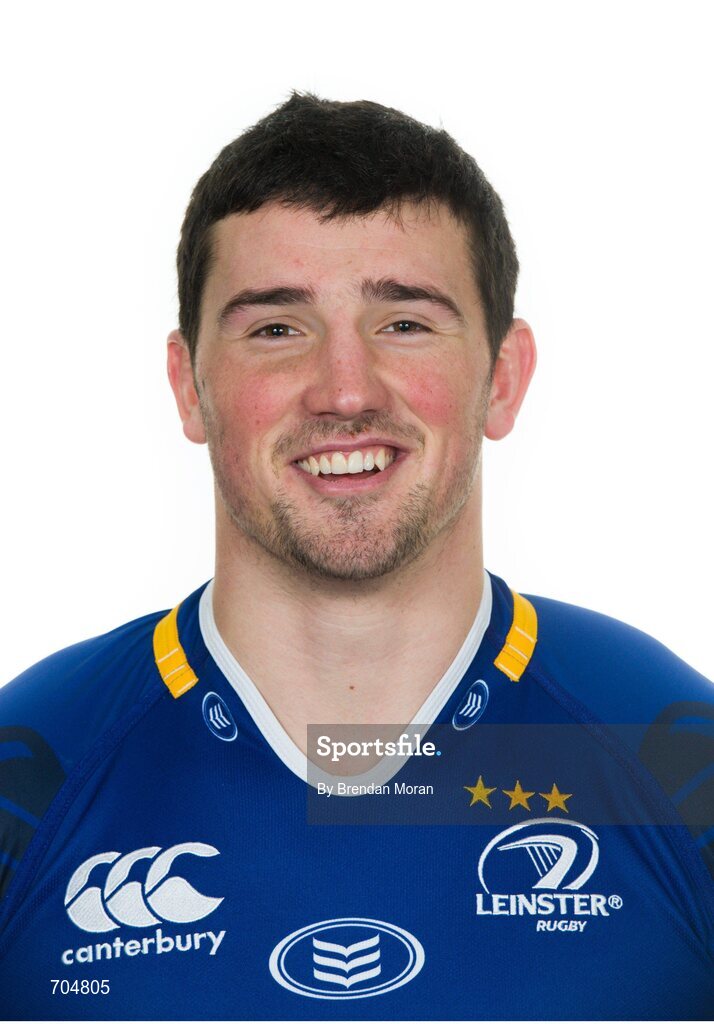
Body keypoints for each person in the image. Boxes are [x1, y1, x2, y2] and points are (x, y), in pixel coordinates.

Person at [0, 93, 712, 1021]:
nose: (344, 389)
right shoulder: (31, 773)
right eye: (276, 327)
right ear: (189, 386)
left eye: (405, 322)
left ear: (502, 377)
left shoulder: (674, 760)